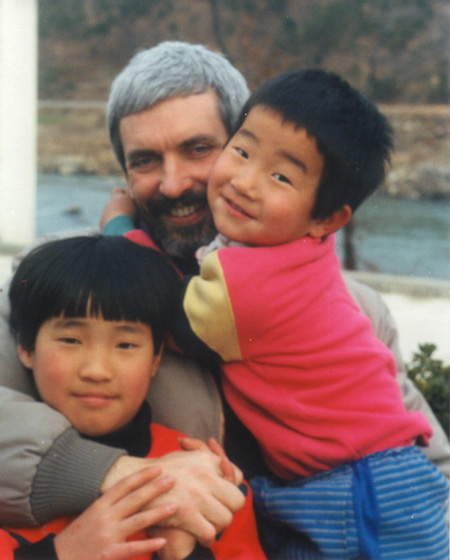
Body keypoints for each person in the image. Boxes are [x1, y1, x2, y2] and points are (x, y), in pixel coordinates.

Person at [0, 41, 448, 535]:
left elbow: (429, 470)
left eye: (198, 150)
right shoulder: (58, 283)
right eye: (146, 160)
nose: (173, 184)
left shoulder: (356, 309)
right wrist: (119, 475)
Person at [106, 69, 450, 559]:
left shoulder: (250, 286)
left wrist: (119, 228)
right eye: (242, 151)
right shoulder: (302, 252)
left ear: (327, 218)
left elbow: (154, 304)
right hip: (362, 478)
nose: (244, 182)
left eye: (282, 176)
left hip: (360, 491)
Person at [1, 235, 265, 560]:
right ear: (26, 349)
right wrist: (61, 554)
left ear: (156, 359)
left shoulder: (209, 481)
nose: (97, 371)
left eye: (126, 345)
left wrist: (183, 552)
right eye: (70, 340)